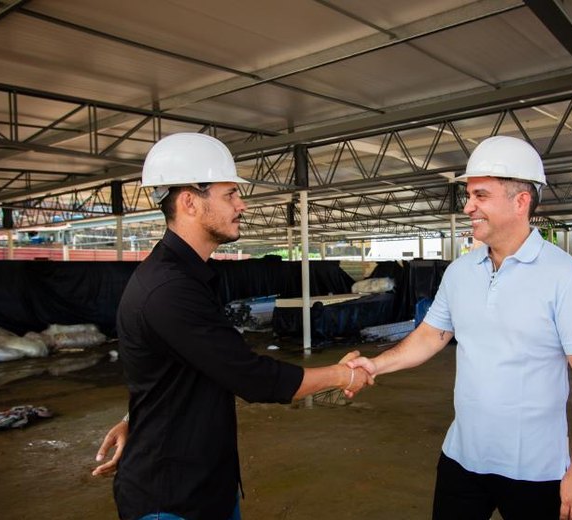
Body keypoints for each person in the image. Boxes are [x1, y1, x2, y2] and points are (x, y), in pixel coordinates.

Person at [92, 132, 372, 520]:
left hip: (205, 486)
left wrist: (133, 419)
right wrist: (342, 374)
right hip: (173, 499)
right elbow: (253, 378)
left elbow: (174, 369)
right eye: (230, 195)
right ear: (189, 201)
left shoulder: (182, 276)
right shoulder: (169, 289)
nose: (242, 205)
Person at [347, 135, 572, 520]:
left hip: (536, 469)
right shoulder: (460, 271)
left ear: (521, 202)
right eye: (468, 196)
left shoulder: (564, 277)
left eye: (481, 196)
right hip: (463, 457)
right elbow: (431, 336)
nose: (468, 206)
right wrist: (376, 365)